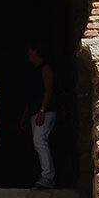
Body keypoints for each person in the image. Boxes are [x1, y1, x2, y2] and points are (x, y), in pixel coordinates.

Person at [24, 41, 56, 189]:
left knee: (40, 141)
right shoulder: (35, 69)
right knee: (38, 142)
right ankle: (46, 176)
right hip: (36, 112)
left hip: (45, 111)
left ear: (35, 51)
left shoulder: (46, 68)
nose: (28, 52)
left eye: (30, 50)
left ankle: (47, 177)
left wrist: (42, 111)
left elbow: (48, 91)